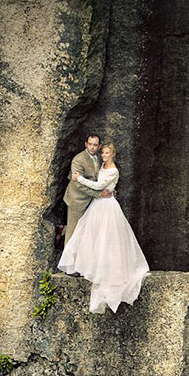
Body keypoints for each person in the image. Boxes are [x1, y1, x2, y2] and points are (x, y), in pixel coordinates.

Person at [58, 143, 149, 314]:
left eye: (107, 153)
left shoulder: (113, 170)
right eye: (103, 152)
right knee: (90, 235)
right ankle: (87, 265)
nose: (104, 155)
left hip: (106, 205)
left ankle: (106, 269)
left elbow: (100, 186)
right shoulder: (101, 164)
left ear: (113, 154)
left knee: (108, 237)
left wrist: (79, 179)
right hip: (98, 204)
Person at [62, 134, 113, 246]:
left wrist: (110, 190)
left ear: (99, 146)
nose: (92, 147)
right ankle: (67, 262)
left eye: (95, 145)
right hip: (77, 200)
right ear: (86, 144)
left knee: (87, 233)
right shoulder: (78, 159)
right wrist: (98, 194)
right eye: (90, 144)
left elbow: (103, 178)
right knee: (73, 232)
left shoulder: (101, 158)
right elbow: (78, 184)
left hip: (93, 202)